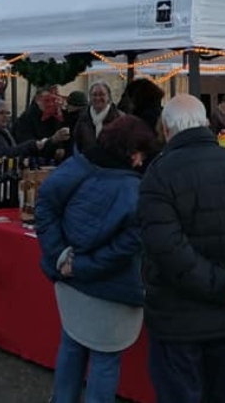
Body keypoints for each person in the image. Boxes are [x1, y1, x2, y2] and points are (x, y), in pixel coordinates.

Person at [138, 94, 225, 403]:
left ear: (165, 129)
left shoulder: (158, 174)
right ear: (205, 123)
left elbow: (167, 251)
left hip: (179, 321)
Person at [36, 115, 158, 403]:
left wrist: (61, 256)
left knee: (72, 344)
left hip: (70, 278)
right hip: (112, 288)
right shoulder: (135, 190)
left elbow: (44, 205)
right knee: (105, 358)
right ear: (132, 152)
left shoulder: (77, 166)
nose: (141, 161)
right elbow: (125, 247)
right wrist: (77, 264)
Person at [0, 98, 69, 161]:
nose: (6, 116)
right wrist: (31, 145)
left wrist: (52, 140)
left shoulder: (1, 130)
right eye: (1, 113)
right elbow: (5, 155)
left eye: (8, 113)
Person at [73, 82, 123, 154]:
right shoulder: (83, 117)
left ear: (108, 97)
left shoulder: (120, 118)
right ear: (90, 97)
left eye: (102, 94)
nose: (97, 98)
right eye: (94, 94)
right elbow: (77, 143)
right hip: (87, 159)